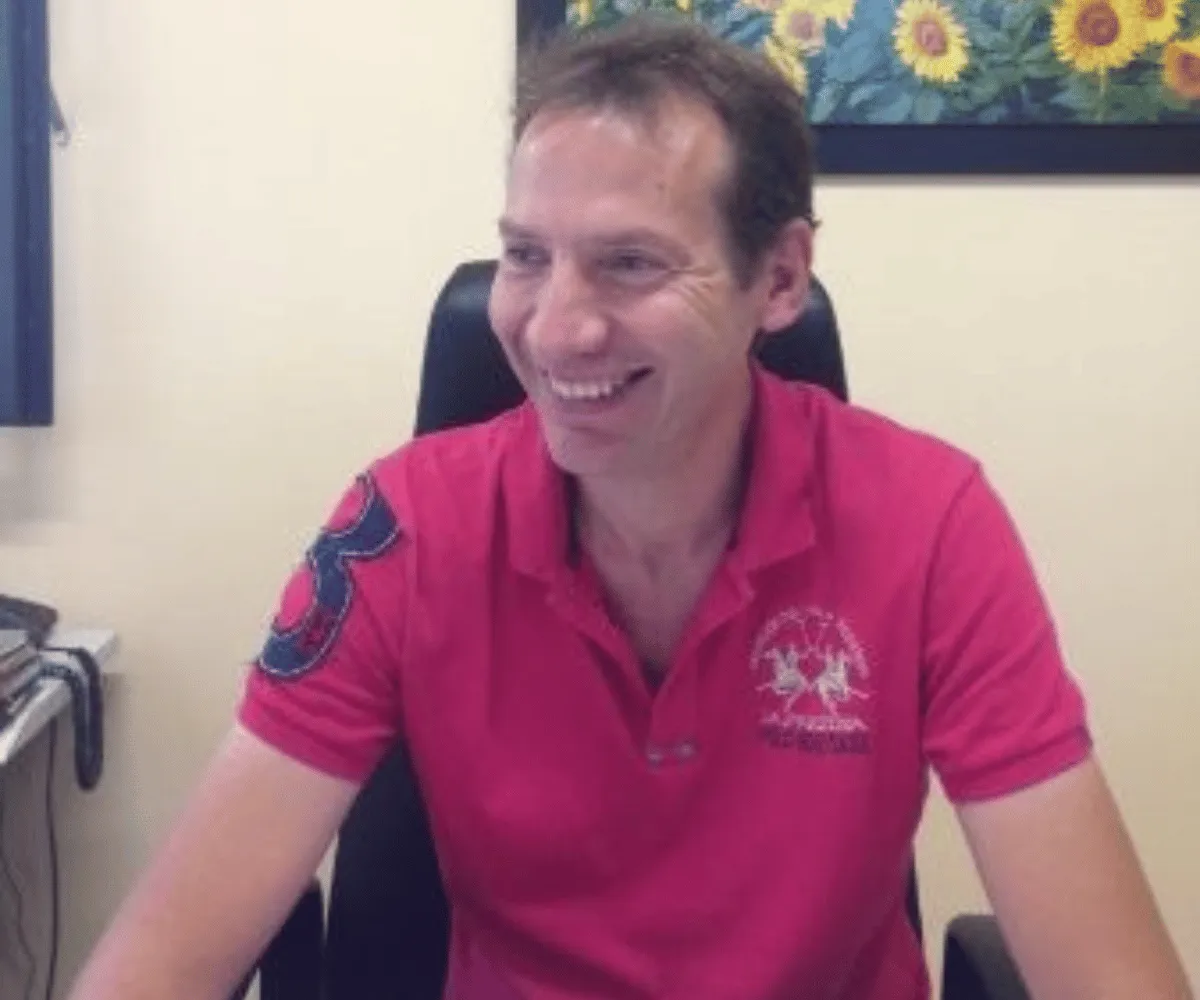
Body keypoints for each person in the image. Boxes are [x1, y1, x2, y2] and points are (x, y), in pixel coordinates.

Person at [70, 17, 1193, 1000]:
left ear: (780, 279)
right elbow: (159, 962)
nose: (555, 328)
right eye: (526, 255)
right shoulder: (398, 527)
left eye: (630, 264)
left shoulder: (932, 524)